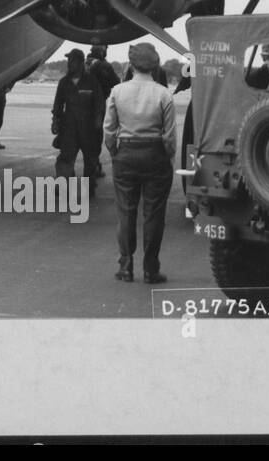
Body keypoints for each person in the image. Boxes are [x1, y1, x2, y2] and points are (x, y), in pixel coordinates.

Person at [103, 41, 178, 284]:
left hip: (125, 155)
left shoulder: (117, 91)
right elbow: (170, 136)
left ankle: (125, 267)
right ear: (154, 65)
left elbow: (109, 129)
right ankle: (150, 270)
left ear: (132, 64)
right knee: (154, 214)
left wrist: (115, 152)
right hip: (155, 155)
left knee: (126, 212)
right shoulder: (164, 94)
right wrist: (167, 155)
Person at [51, 49, 105, 196]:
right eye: (69, 61)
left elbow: (99, 103)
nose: (70, 64)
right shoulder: (64, 82)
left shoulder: (92, 81)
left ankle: (89, 188)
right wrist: (55, 121)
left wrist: (98, 120)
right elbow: (57, 104)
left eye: (73, 61)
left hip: (88, 128)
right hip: (69, 128)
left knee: (90, 159)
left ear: (81, 63)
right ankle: (63, 186)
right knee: (65, 158)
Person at [84, 45, 119, 176]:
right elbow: (115, 82)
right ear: (103, 51)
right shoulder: (104, 66)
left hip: (79, 107)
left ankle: (66, 176)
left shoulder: (83, 63)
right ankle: (92, 172)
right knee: (95, 139)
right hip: (97, 107)